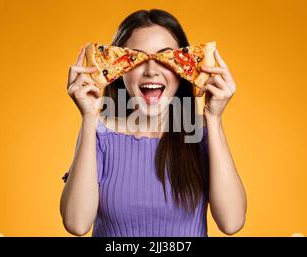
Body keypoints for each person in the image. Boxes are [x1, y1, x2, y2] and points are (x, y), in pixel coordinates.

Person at [60, 9, 246, 237]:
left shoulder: (201, 132)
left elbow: (232, 222)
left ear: (183, 68)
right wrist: (88, 118)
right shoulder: (99, 132)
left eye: (165, 58)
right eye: (136, 59)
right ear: (119, 69)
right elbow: (76, 224)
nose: (151, 71)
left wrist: (214, 119)